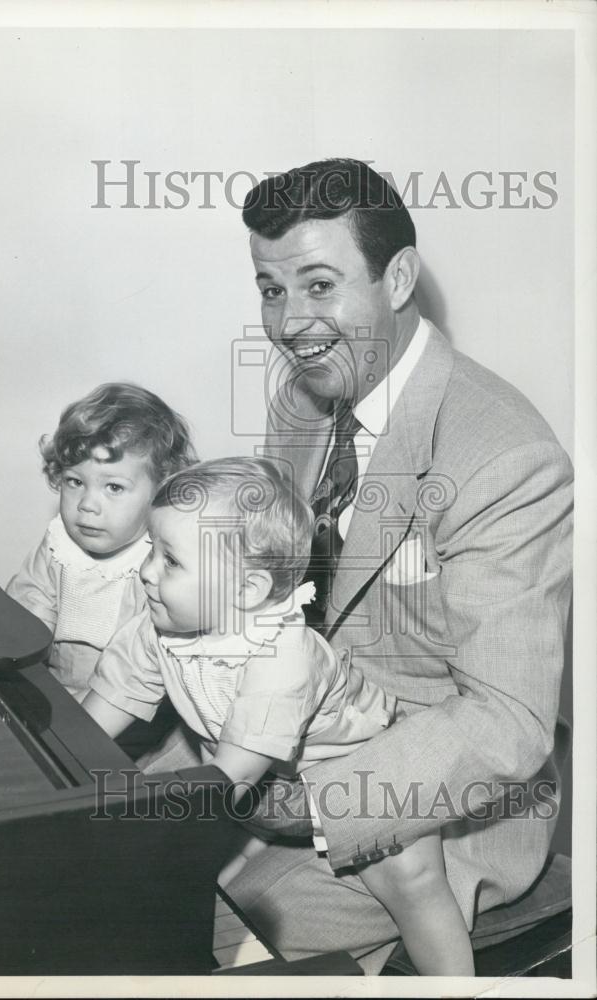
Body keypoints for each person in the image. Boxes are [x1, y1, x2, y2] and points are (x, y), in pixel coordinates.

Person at [216, 158, 573, 973]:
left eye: (317, 285)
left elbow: (507, 725)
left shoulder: (505, 456)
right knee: (93, 844)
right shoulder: (302, 400)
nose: (289, 324)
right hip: (301, 735)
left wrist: (305, 801)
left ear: (399, 277)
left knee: (174, 922)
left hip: (438, 807)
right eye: (272, 290)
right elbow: (290, 593)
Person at [82, 457, 475, 975]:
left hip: (367, 765)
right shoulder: (158, 627)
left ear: (247, 592)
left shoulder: (282, 654)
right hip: (277, 779)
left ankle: (459, 987)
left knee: (413, 882)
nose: (147, 570)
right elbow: (86, 726)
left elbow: (229, 781)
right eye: (152, 548)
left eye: (171, 561)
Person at [6, 382, 196, 700]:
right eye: (75, 482)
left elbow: (141, 665)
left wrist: (88, 708)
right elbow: (28, 606)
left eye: (114, 488)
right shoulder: (58, 545)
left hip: (124, 702)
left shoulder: (155, 566)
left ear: (160, 491)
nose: (87, 504)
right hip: (53, 683)